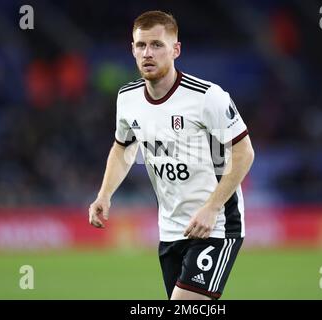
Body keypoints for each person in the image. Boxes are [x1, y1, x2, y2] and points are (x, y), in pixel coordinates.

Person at [89, 10, 255, 300]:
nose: (147, 53)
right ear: (132, 50)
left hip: (216, 226)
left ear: (175, 50)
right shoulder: (127, 98)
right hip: (170, 230)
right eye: (141, 45)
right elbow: (123, 147)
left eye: (157, 45)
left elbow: (244, 152)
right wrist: (104, 194)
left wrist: (212, 207)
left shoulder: (207, 97)